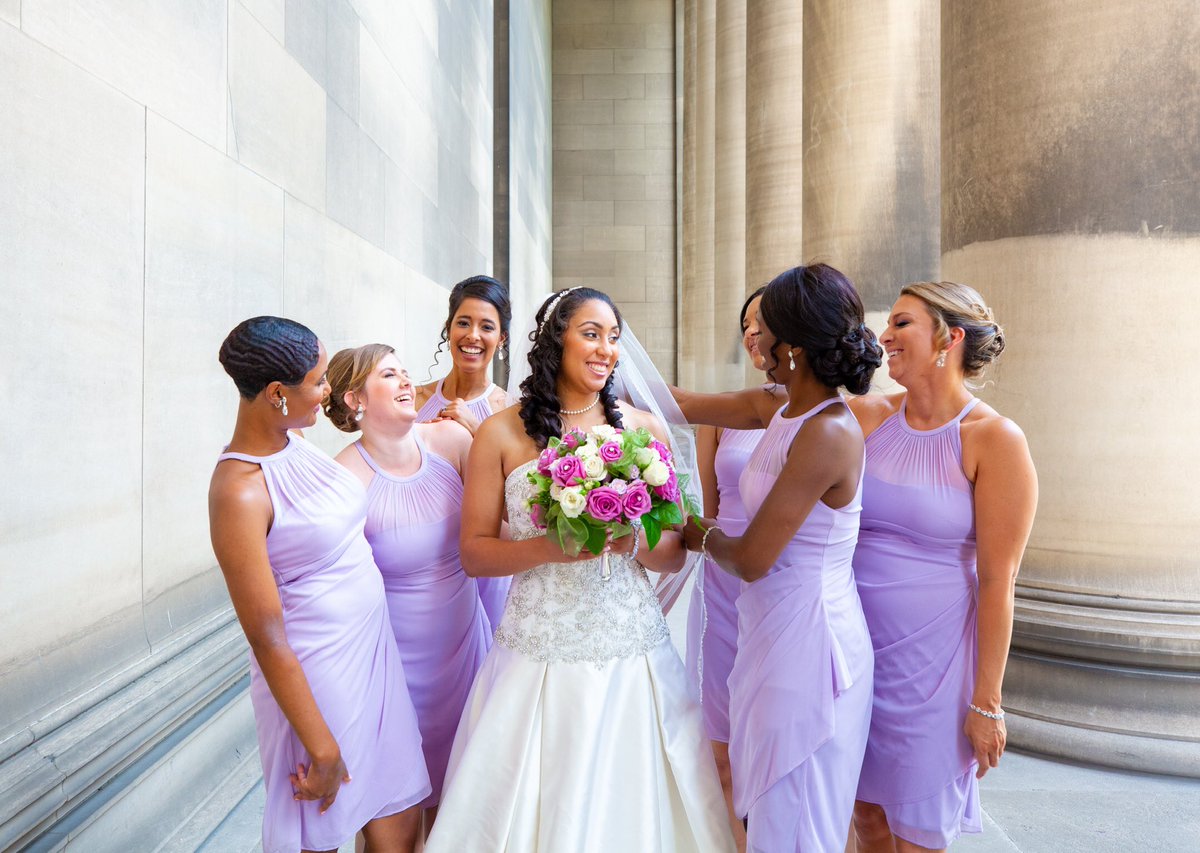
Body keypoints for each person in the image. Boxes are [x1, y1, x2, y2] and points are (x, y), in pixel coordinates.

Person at [424, 288, 736, 853]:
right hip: (538, 645)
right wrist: (552, 548)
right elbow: (475, 553)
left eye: (614, 338)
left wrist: (632, 542)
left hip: (630, 644)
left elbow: (671, 551)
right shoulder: (500, 433)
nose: (606, 350)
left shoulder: (645, 432)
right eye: (592, 334)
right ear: (555, 341)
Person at [674, 263, 881, 852]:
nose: (752, 335)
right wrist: (600, 369)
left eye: (762, 325)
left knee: (797, 814)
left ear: (792, 345)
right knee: (770, 810)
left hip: (810, 641)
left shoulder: (828, 432)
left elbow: (752, 557)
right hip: (768, 628)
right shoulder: (781, 408)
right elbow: (685, 403)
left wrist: (687, 529)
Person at [208, 317, 429, 853]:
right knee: (318, 834)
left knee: (399, 826)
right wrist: (321, 747)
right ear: (277, 394)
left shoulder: (294, 440)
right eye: (318, 380)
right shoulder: (238, 491)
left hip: (377, 662)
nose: (328, 389)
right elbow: (266, 636)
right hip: (318, 682)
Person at [848, 282, 1037, 853]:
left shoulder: (994, 439)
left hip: (933, 670)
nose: (884, 336)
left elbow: (999, 580)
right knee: (866, 818)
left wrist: (987, 702)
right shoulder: (866, 418)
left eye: (901, 323)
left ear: (948, 339)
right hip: (854, 654)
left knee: (919, 833)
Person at [325, 344, 489, 837]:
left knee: (460, 812)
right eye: (388, 375)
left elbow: (506, 513)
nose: (405, 383)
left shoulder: (452, 442)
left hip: (464, 654)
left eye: (405, 373)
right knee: (390, 826)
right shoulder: (342, 478)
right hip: (392, 669)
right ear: (355, 399)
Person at [686, 284, 770, 852]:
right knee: (721, 744)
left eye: (760, 320)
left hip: (786, 585)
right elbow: (707, 514)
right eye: (744, 322)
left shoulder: (837, 414)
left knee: (777, 744)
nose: (749, 331)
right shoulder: (723, 414)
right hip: (722, 583)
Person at [416, 274, 512, 631]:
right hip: (424, 565)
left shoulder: (510, 410)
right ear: (449, 328)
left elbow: (518, 505)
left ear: (501, 339)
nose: (473, 335)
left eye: (486, 326)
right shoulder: (415, 398)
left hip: (485, 569)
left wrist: (479, 431)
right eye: (463, 323)